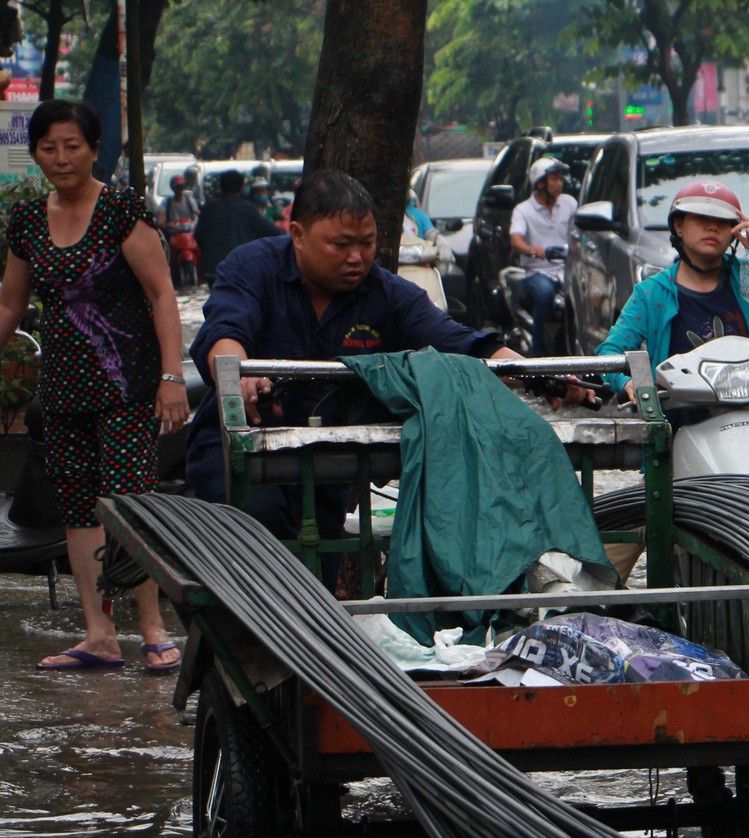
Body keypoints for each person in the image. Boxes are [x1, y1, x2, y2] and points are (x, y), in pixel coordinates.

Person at [186, 169, 581, 560]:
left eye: (367, 243)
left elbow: (462, 342)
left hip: (326, 463)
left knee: (321, 560)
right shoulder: (252, 266)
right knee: (260, 528)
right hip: (238, 448)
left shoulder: (388, 294)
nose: (356, 258)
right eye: (340, 245)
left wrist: (542, 375)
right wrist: (241, 373)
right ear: (298, 236)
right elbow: (226, 330)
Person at [0, 100, 188, 673]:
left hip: (127, 388)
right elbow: (9, 303)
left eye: (72, 146)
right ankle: (99, 635)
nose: (60, 158)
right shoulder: (30, 221)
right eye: (48, 147)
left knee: (129, 505)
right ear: (35, 152)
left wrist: (171, 376)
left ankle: (154, 629)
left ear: (94, 149)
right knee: (79, 511)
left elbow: (161, 295)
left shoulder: (122, 210)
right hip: (63, 392)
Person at [594, 179, 749, 493]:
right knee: (640, 522)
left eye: (723, 223)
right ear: (679, 227)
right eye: (701, 220)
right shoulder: (651, 294)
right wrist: (628, 382)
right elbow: (611, 351)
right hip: (684, 426)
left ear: (736, 232)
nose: (712, 229)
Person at [508, 156, 577, 354]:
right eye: (553, 179)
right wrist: (533, 250)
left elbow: (578, 233)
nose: (559, 184)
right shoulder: (523, 210)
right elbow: (516, 240)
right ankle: (538, 352)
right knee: (545, 293)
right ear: (540, 183)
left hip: (566, 270)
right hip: (537, 273)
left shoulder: (570, 203)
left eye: (560, 179)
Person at [194, 169, 278, 282]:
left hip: (213, 270)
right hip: (241, 269)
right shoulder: (247, 208)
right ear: (241, 187)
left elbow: (198, 235)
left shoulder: (209, 208)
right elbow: (268, 231)